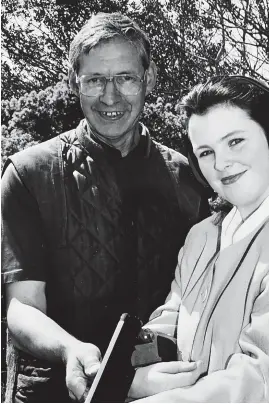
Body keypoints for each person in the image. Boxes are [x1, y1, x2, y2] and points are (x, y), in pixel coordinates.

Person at [1, 13, 209, 403]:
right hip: (54, 392)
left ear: (148, 80)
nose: (110, 97)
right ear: (73, 82)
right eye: (95, 80)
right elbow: (21, 308)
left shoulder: (185, 174)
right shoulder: (29, 173)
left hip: (163, 391)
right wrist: (69, 350)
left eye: (126, 78)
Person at [127, 76, 269, 402]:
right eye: (206, 152)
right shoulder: (203, 234)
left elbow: (266, 378)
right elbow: (173, 316)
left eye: (235, 141)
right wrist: (131, 368)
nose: (221, 163)